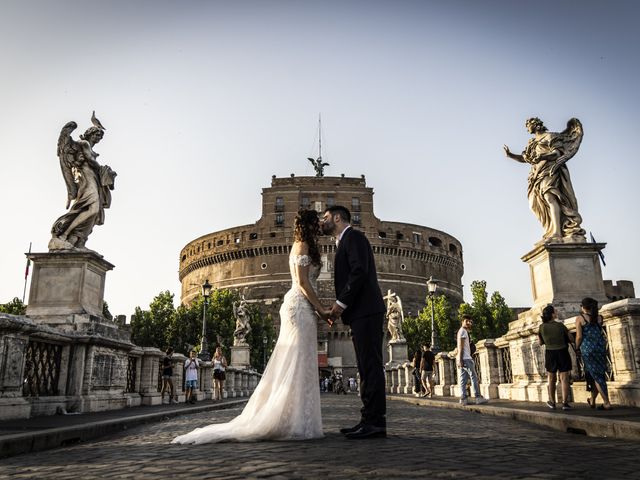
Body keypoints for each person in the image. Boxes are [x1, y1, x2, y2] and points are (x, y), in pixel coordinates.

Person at [173, 210, 330, 444]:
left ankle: (298, 418)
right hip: (300, 307)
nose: (320, 224)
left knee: (301, 362)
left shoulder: (305, 245)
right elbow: (303, 283)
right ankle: (289, 419)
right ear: (308, 225)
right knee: (296, 362)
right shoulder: (301, 247)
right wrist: (322, 309)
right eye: (316, 221)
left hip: (302, 307)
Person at [322, 205, 387, 439]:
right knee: (365, 367)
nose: (323, 221)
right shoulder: (345, 240)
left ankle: (376, 422)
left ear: (338, 218)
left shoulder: (354, 237)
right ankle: (368, 418)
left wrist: (339, 305)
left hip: (367, 311)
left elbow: (359, 272)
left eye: (326, 217)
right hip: (361, 312)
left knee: (370, 366)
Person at [503, 117, 585, 242]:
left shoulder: (550, 136)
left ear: (536, 125)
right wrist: (510, 155)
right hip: (536, 175)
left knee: (549, 197)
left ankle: (557, 232)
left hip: (550, 169)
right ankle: (550, 229)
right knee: (535, 204)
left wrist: (543, 155)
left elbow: (557, 153)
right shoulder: (532, 142)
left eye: (529, 125)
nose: (527, 128)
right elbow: (526, 159)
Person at [50, 116, 117, 251]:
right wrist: (105, 170)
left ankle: (78, 241)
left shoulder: (88, 147)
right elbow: (91, 161)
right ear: (90, 133)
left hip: (92, 177)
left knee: (94, 210)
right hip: (85, 177)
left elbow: (92, 162)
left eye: (100, 137)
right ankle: (62, 236)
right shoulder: (83, 144)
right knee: (92, 207)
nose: (99, 138)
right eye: (97, 135)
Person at [576, 297, 612, 410]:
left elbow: (579, 336)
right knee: (597, 375)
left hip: (588, 350)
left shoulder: (580, 318)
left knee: (596, 377)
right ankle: (592, 400)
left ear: (583, 307)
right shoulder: (600, 318)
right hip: (600, 348)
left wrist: (577, 347)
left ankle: (606, 403)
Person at [538, 305, 573, 410]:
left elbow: (540, 342)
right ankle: (565, 403)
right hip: (562, 352)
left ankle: (552, 402)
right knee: (564, 378)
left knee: (551, 378)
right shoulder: (560, 326)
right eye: (555, 311)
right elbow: (570, 338)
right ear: (552, 314)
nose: (556, 312)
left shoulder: (542, 327)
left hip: (550, 353)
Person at [456, 315, 488, 406]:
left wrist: (459, 359)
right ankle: (478, 397)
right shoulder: (463, 331)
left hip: (462, 358)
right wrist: (461, 359)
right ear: (462, 321)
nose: (469, 323)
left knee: (463, 379)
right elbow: (461, 347)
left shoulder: (461, 331)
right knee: (474, 377)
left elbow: (459, 347)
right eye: (467, 321)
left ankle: (463, 399)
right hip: (466, 358)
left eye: (470, 322)